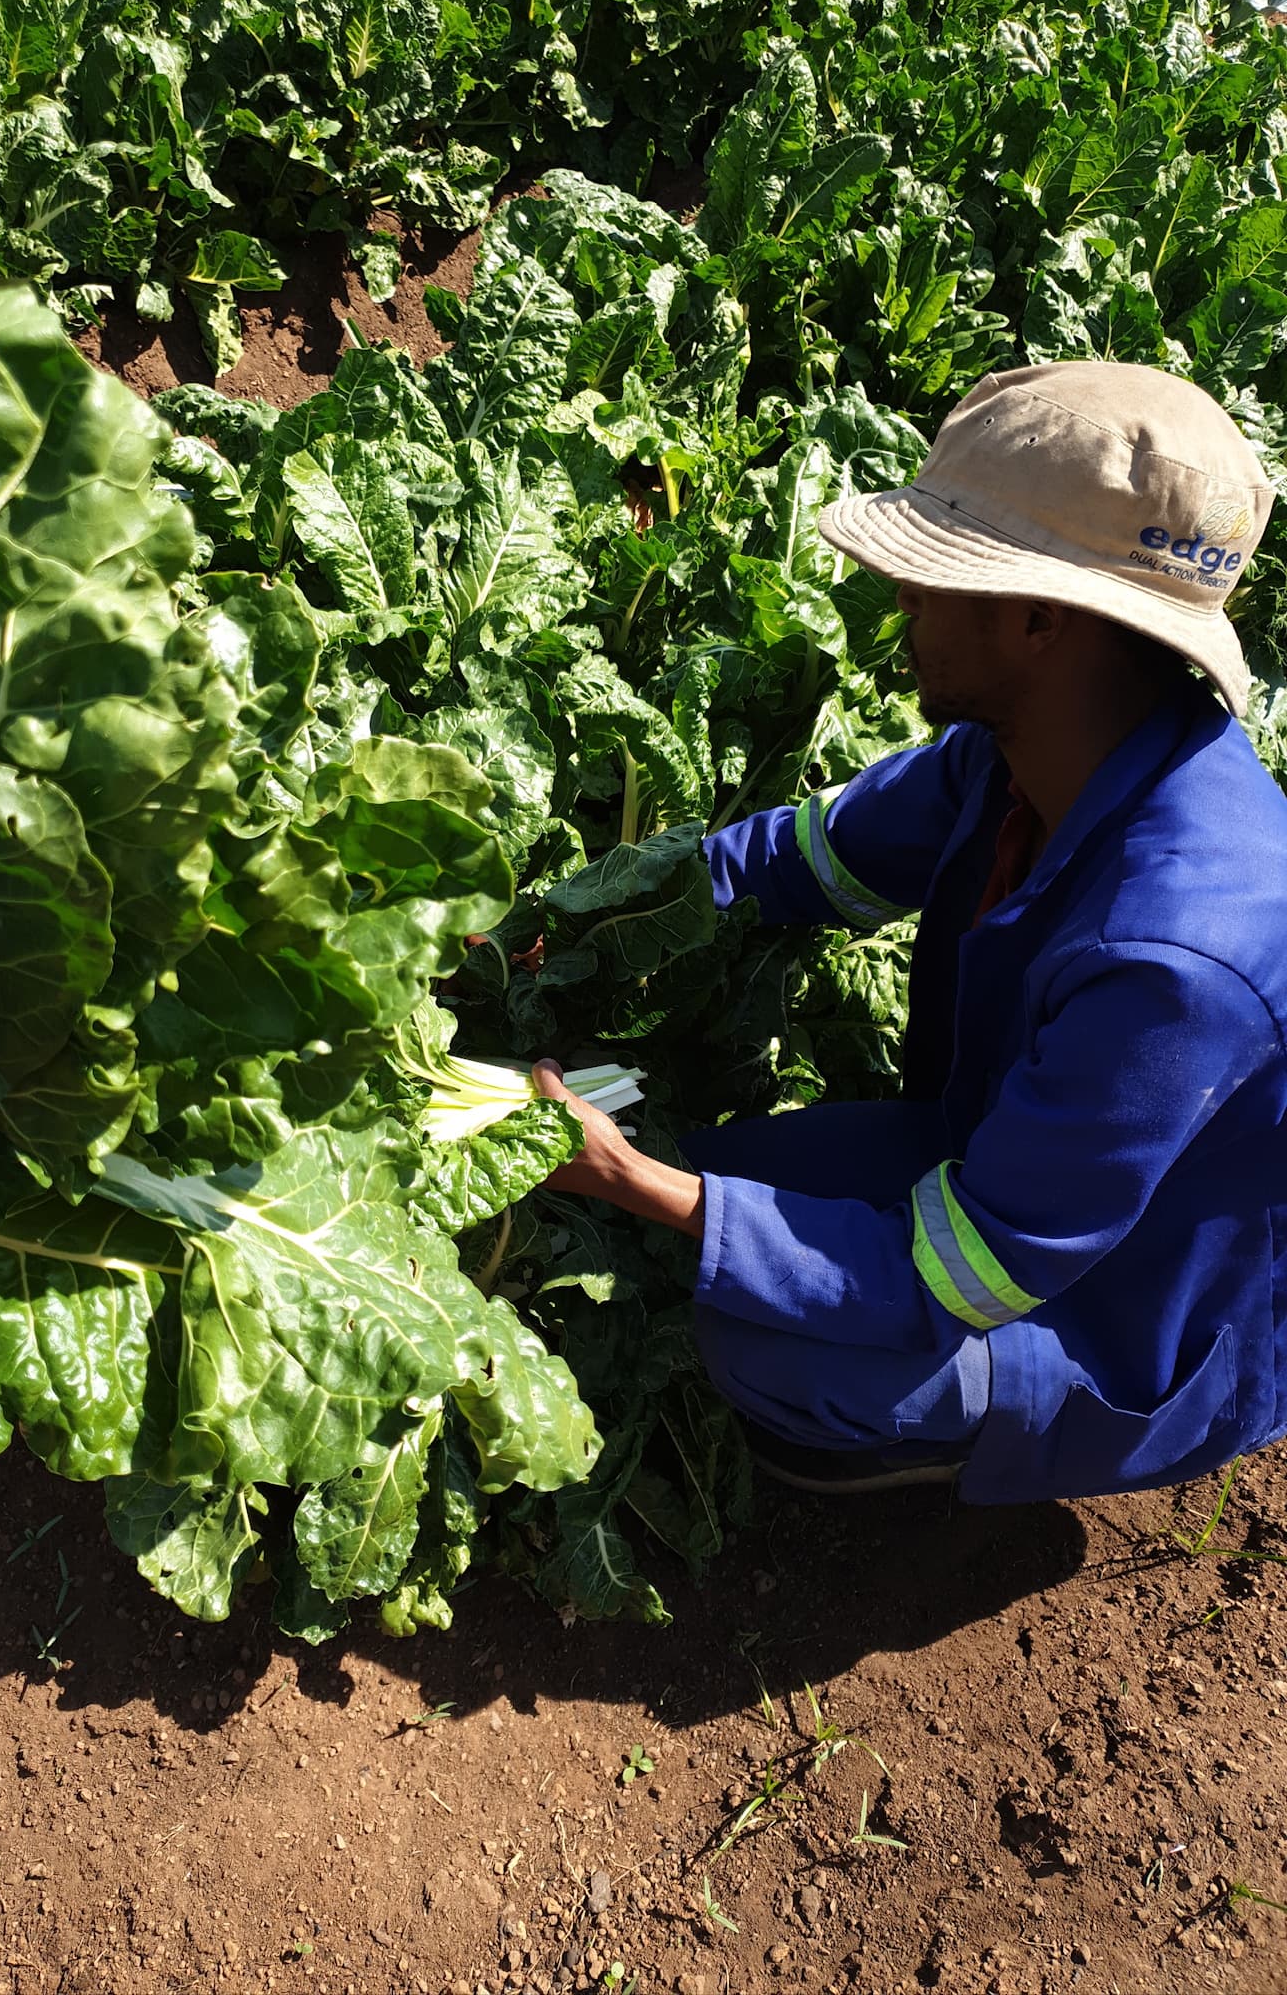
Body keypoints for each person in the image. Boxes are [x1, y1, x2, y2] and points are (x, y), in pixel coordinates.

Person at [534, 360, 1287, 1502]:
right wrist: (570, 919)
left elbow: (964, 1269)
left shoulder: (1181, 961)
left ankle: (1006, 1422)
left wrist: (636, 1181)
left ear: (1042, 620)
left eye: (936, 579)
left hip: (1135, 1309)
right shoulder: (1030, 745)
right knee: (737, 1181)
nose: (903, 601)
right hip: (1001, 1156)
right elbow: (800, 861)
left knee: (767, 1341)